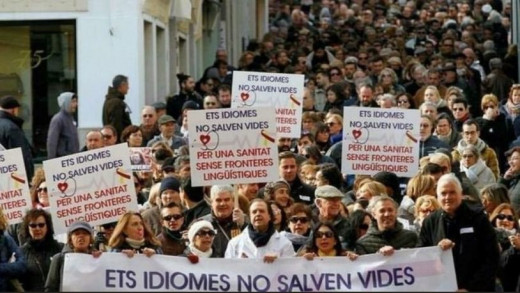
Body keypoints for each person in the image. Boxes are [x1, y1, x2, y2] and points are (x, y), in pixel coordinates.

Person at [419, 173, 499, 291]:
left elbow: (491, 257)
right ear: (437, 196)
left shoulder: (478, 218)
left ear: (461, 194)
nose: (447, 197)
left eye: (452, 192)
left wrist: (469, 288)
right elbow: (421, 255)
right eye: (443, 193)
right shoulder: (430, 221)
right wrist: (437, 250)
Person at [225, 198, 294, 261]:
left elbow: (290, 271)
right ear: (249, 217)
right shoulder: (234, 244)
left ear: (269, 216)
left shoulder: (285, 244)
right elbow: (229, 271)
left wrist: (278, 262)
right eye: (254, 212)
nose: (258, 214)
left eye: (262, 211)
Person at [45, 221, 100, 292]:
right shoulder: (59, 259)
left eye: (85, 233)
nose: (81, 236)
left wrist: (102, 258)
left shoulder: (97, 258)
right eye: (76, 234)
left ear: (90, 238)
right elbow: (50, 287)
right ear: (70, 239)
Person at [19, 209, 64, 292]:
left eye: (41, 225)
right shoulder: (21, 253)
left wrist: (94, 253)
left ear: (47, 226)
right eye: (33, 225)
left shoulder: (60, 248)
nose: (37, 228)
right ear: (27, 228)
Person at [199, 184, 246, 257]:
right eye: (218, 200)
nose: (223, 204)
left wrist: (244, 225)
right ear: (211, 202)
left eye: (227, 200)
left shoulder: (245, 220)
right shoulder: (201, 223)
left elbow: (255, 245)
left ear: (233, 202)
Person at [312, 185, 356, 250]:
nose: (336, 203)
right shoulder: (308, 220)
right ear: (319, 203)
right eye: (332, 200)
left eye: (338, 200)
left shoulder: (347, 224)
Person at [0, 95, 34, 179]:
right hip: (13, 179)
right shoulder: (12, 128)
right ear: (14, 109)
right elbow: (22, 155)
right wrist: (29, 177)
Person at [46, 92, 79, 159]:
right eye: (73, 102)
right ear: (65, 102)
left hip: (71, 159)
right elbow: (52, 142)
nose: (76, 104)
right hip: (62, 159)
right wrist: (51, 161)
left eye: (76, 101)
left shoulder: (71, 118)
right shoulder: (58, 119)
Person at [499, 147, 520, 213]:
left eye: (515, 158)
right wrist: (504, 180)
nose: (510, 162)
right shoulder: (513, 179)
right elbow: (497, 195)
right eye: (510, 159)